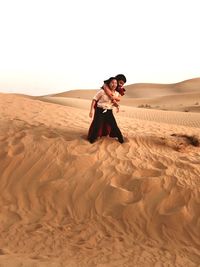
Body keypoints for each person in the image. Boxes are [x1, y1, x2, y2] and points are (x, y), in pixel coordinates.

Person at [88, 77, 124, 144]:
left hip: (109, 111)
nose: (114, 84)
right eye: (112, 82)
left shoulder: (116, 94)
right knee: (97, 125)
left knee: (114, 125)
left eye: (115, 83)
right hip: (100, 110)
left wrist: (117, 106)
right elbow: (94, 99)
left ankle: (121, 139)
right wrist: (91, 110)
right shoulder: (102, 91)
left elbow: (113, 102)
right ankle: (91, 139)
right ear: (109, 83)